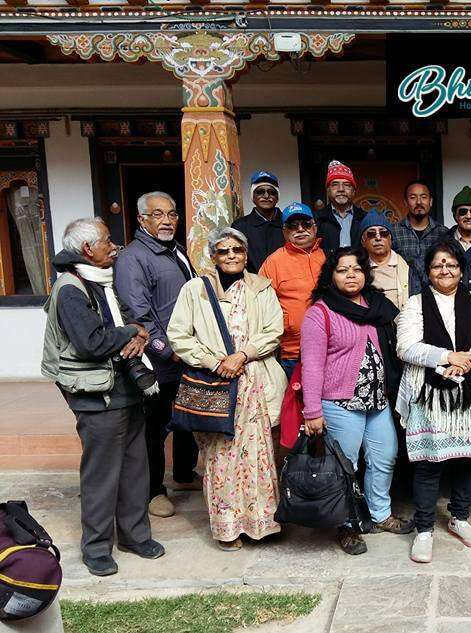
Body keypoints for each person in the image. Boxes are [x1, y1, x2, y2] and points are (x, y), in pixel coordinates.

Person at [41, 217, 163, 576]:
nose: (114, 247)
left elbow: (127, 321)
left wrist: (136, 333)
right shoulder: (71, 288)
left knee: (135, 468)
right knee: (101, 475)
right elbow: (91, 343)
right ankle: (96, 548)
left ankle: (135, 536)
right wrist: (131, 332)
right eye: (108, 241)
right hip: (96, 396)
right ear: (87, 249)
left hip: (125, 388)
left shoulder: (102, 280)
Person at [167, 227, 287, 551]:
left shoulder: (261, 288)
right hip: (216, 383)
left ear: (246, 254)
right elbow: (178, 334)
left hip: (254, 381)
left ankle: (260, 524)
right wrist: (213, 361)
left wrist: (242, 356)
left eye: (237, 249)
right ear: (213, 256)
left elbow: (273, 330)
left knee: (258, 455)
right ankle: (227, 528)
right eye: (224, 251)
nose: (231, 255)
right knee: (220, 457)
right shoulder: (195, 290)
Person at [299, 247, 413, 555]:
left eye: (357, 269)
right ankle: (346, 523)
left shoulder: (377, 306)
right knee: (345, 467)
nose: (351, 275)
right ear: (331, 276)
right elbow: (312, 365)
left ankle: (380, 514)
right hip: (340, 404)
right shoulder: (320, 312)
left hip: (377, 401)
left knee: (385, 456)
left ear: (365, 273)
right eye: (342, 269)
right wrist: (312, 411)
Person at [395, 242, 471, 564]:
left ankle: (459, 517)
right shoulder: (416, 304)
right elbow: (406, 346)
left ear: (461, 269)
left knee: (467, 459)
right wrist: (446, 357)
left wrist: (467, 363)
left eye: (451, 264)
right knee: (428, 462)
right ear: (428, 271)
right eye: (438, 265)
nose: (445, 270)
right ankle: (424, 529)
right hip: (429, 393)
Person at [115, 191, 200, 520]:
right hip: (160, 359)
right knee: (155, 428)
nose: (167, 220)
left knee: (186, 418)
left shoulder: (175, 250)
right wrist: (168, 350)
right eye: (158, 214)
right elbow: (138, 315)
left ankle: (184, 473)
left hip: (186, 353)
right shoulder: (133, 258)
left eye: (172, 214)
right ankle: (153, 491)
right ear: (142, 219)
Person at [258, 202, 327, 379]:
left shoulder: (327, 257)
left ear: (315, 227)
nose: (300, 229)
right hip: (292, 353)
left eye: (306, 224)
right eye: (293, 226)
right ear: (284, 231)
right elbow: (259, 306)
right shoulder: (273, 262)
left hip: (331, 349)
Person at [393, 180, 447, 295]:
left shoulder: (443, 233)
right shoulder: (394, 232)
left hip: (437, 294)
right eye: (413, 197)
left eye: (423, 197)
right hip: (404, 295)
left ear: (430, 201)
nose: (419, 202)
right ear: (406, 202)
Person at [231, 171, 285, 273]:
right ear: (253, 197)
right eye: (260, 192)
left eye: (271, 192)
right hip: (253, 281)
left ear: (277, 197)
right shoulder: (240, 227)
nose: (266, 196)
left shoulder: (289, 223)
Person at [359, 210, 412, 310]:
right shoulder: (359, 270)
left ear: (390, 238)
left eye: (383, 233)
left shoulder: (411, 265)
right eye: (371, 234)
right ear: (363, 242)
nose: (378, 238)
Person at [315, 160, 367, 259]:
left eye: (347, 185)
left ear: (353, 191)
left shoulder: (365, 218)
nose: (341, 189)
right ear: (328, 190)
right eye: (335, 184)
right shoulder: (317, 219)